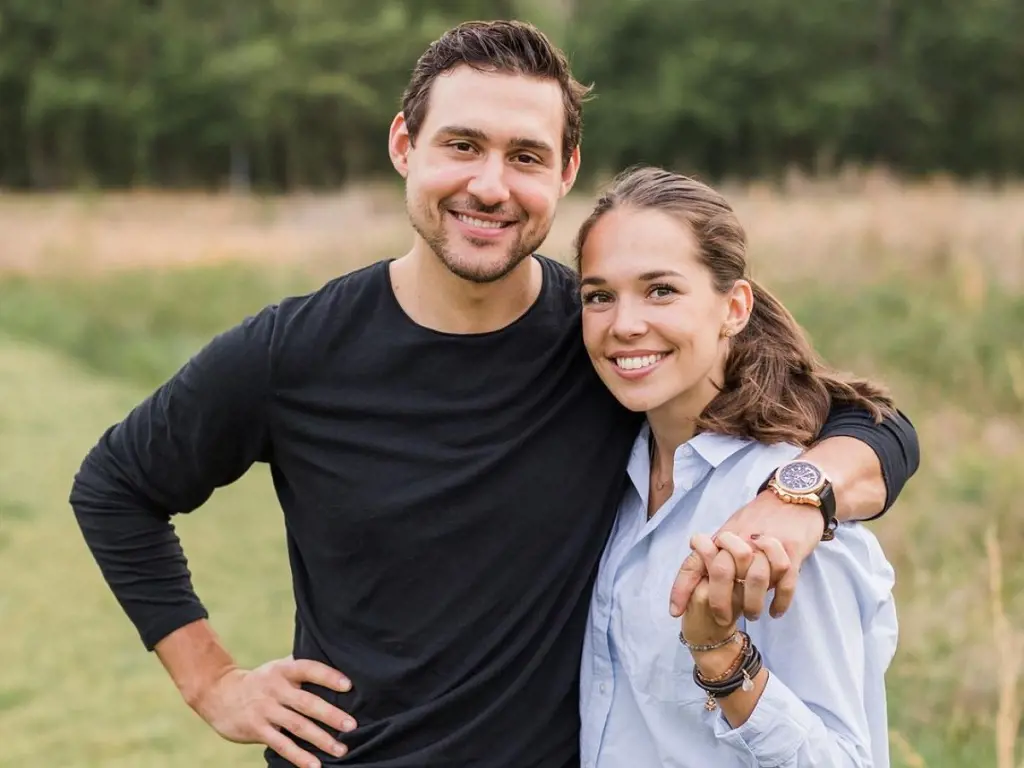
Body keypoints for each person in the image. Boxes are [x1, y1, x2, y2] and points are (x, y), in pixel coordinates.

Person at [68, 20, 918, 768]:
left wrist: (797, 499)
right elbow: (115, 486)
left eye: (525, 157)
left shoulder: (599, 340)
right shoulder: (295, 352)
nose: (489, 186)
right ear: (406, 145)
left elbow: (874, 426)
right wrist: (213, 682)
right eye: (462, 145)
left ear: (564, 170)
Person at [575, 165, 898, 767]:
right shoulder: (608, 475)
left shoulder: (781, 514)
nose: (624, 324)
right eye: (599, 296)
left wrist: (722, 658)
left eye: (661, 290)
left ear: (735, 307)